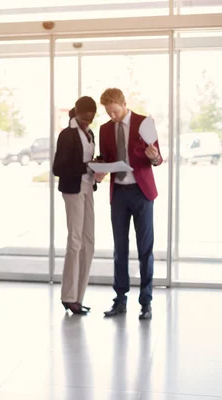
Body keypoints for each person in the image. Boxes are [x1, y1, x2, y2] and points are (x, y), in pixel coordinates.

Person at [98, 88, 162, 321]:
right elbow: (105, 158)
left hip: (142, 193)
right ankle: (120, 300)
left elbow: (157, 159)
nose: (113, 116)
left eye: (115, 111)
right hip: (119, 195)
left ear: (124, 104)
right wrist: (99, 171)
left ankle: (146, 302)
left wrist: (153, 155)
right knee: (119, 249)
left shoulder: (144, 123)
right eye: (108, 112)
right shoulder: (105, 129)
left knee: (145, 250)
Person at [53, 96, 102, 315]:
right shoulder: (67, 134)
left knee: (89, 242)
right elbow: (58, 168)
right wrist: (86, 166)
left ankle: (78, 296)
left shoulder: (89, 133)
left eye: (91, 118)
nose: (88, 121)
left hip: (88, 188)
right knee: (75, 241)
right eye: (85, 117)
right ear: (78, 113)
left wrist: (98, 164)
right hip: (72, 191)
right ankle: (68, 296)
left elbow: (86, 162)